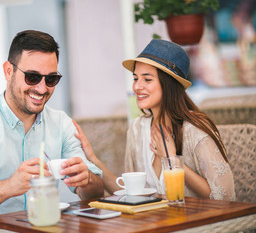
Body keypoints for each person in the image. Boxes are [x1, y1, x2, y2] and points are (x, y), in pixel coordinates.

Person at [0, 30, 104, 232]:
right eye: (32, 77)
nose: (42, 89)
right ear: (9, 71)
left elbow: (94, 194)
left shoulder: (61, 123)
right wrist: (9, 186)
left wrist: (86, 180)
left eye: (51, 79)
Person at [74, 39, 235, 201]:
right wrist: (93, 159)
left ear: (169, 84)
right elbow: (130, 193)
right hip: (155, 224)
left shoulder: (194, 129)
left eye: (147, 79)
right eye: (136, 78)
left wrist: (172, 160)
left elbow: (223, 198)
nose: (137, 86)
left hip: (200, 224)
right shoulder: (137, 128)